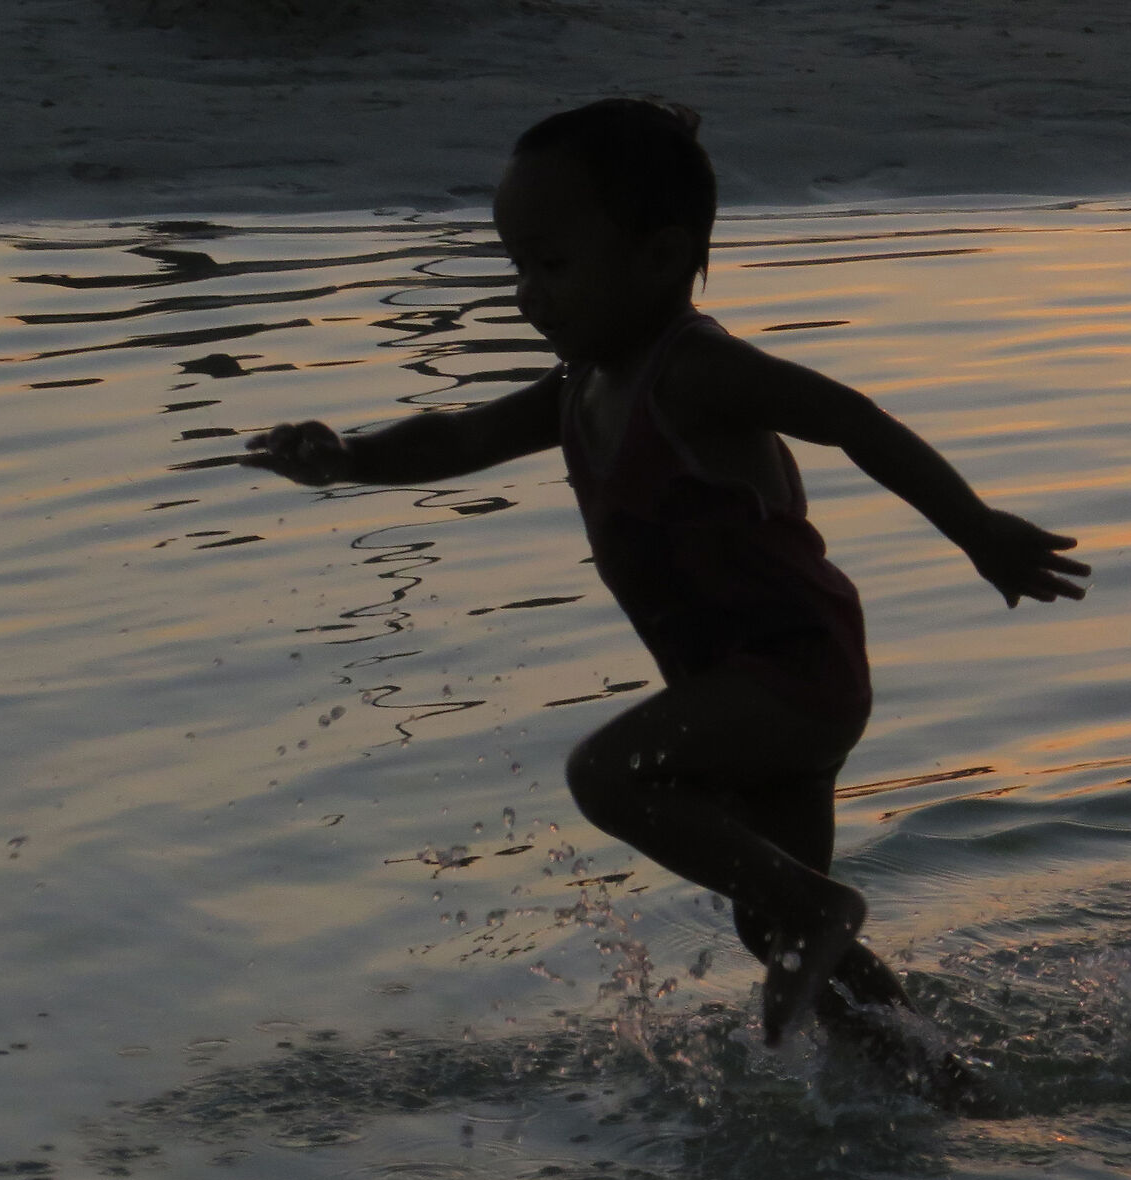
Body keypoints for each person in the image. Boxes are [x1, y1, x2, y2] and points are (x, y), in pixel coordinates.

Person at [246, 97, 1088, 1091]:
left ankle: (827, 920)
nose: (529, 294)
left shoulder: (694, 371)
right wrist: (349, 458)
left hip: (790, 670)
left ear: (658, 258)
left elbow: (846, 415)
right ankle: (947, 1087)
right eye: (517, 266)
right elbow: (459, 437)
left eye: (553, 266)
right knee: (771, 926)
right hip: (758, 682)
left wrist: (977, 529)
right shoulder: (582, 385)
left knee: (611, 775)